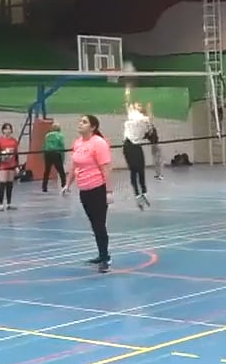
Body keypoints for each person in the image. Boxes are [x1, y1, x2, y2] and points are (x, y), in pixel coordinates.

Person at [63, 115, 114, 273]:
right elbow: (74, 166)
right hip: (84, 190)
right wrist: (67, 184)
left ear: (92, 127)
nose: (80, 124)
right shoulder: (78, 143)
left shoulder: (99, 143)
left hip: (97, 189)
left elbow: (106, 168)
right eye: (80, 121)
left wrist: (109, 191)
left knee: (99, 224)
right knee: (94, 224)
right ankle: (101, 254)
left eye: (84, 122)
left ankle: (105, 256)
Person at [122, 94, 152, 209]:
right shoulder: (132, 115)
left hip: (137, 146)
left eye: (139, 105)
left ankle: (144, 192)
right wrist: (128, 94)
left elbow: (149, 131)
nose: (137, 106)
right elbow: (128, 103)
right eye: (136, 105)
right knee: (134, 170)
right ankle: (137, 194)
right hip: (128, 145)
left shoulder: (144, 119)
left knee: (141, 169)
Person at [0, 123, 19, 211]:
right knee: (2, 183)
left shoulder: (14, 141)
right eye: (6, 129)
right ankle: (0, 204)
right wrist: (1, 157)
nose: (7, 131)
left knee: (10, 184)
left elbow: (16, 154)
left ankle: (9, 203)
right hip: (3, 165)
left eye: (9, 129)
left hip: (12, 164)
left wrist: (17, 166)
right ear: (3, 130)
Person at [41, 122, 67, 192]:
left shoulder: (47, 135)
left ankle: (44, 186)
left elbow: (44, 145)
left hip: (47, 153)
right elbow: (61, 145)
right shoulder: (60, 135)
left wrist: (43, 154)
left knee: (47, 170)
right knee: (61, 171)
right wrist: (63, 156)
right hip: (56, 153)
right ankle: (64, 185)